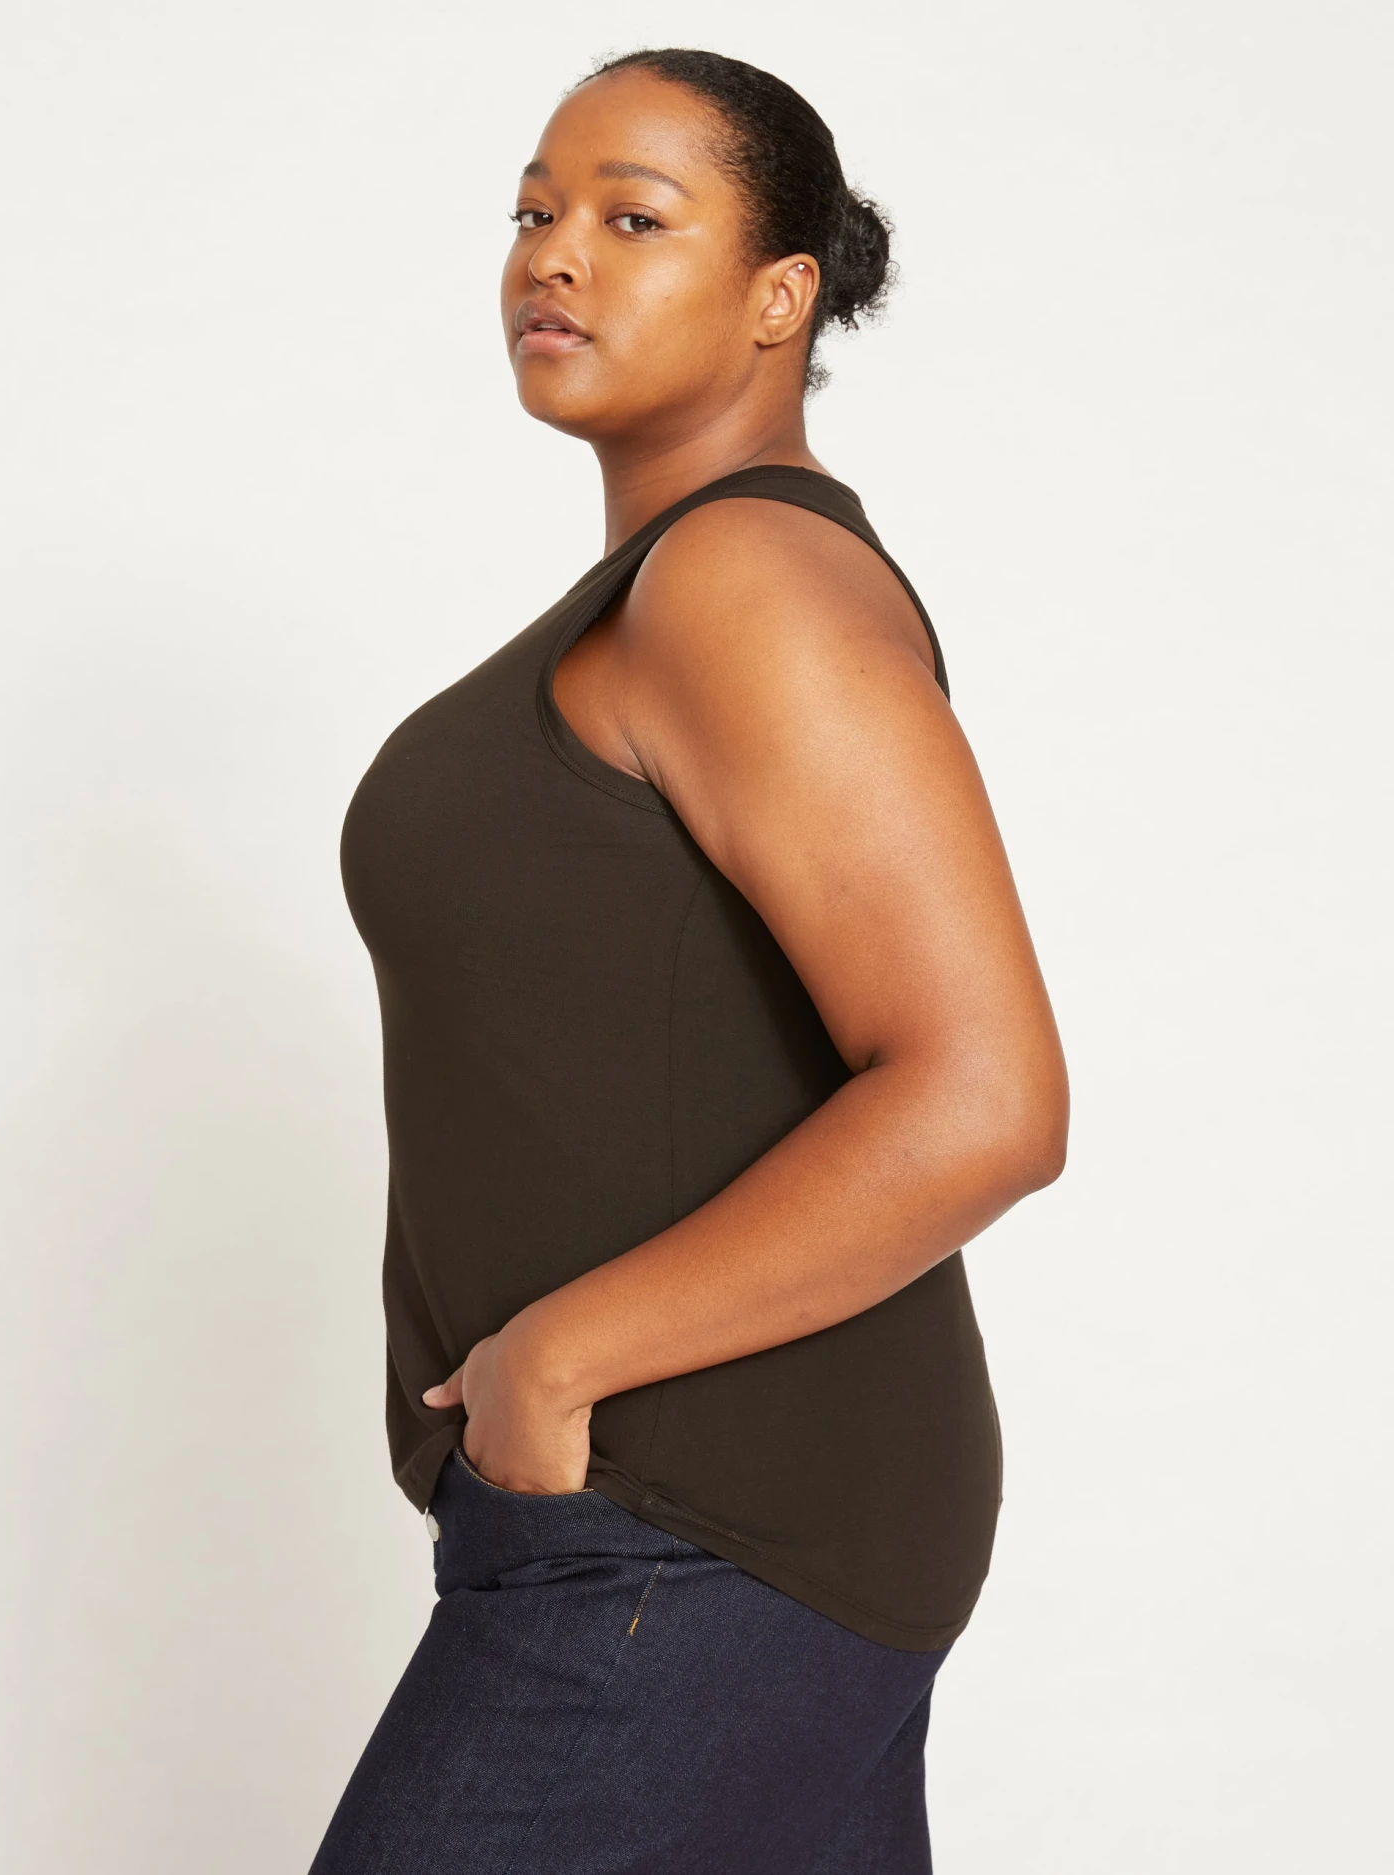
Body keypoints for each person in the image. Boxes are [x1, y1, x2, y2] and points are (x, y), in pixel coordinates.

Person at [312, 46, 1067, 1875]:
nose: (554, 254)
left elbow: (985, 1095)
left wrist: (557, 1359)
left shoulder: (745, 584)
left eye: (634, 219)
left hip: (693, 1523)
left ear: (780, 296)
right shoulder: (675, 590)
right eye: (533, 211)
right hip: (677, 1523)